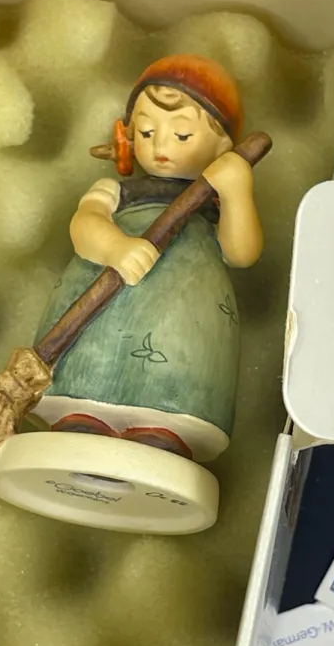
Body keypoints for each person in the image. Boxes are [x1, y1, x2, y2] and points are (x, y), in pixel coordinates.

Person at [31, 54, 263, 462]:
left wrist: (236, 190)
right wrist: (114, 247)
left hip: (183, 316)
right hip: (101, 307)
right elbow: (84, 223)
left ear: (223, 147)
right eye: (147, 131)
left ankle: (163, 431)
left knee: (172, 367)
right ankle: (79, 417)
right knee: (92, 359)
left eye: (182, 135)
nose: (160, 147)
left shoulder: (213, 209)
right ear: (127, 134)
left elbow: (242, 253)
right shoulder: (117, 192)